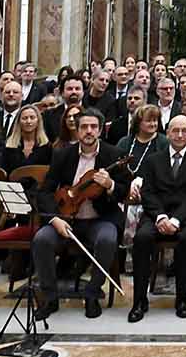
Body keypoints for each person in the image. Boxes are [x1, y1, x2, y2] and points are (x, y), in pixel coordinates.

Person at [32, 110, 124, 320]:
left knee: (108, 239)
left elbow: (124, 190)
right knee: (41, 239)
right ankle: (50, 297)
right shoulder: (63, 154)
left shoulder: (113, 155)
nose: (89, 131)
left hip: (100, 219)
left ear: (100, 130)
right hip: (66, 219)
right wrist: (54, 219)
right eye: (84, 127)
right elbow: (45, 191)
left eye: (93, 127)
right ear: (77, 129)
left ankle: (92, 294)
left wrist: (110, 185)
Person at [128, 111, 186, 322]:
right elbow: (148, 193)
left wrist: (176, 220)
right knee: (142, 238)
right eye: (175, 130)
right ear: (168, 133)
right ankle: (139, 300)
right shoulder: (154, 160)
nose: (180, 135)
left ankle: (181, 299)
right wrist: (162, 217)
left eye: (184, 131)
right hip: (156, 214)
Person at [1, 102, 53, 172]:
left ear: (38, 121)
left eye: (32, 118)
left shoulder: (47, 147)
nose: (28, 121)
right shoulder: (8, 146)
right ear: (19, 122)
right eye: (24, 118)